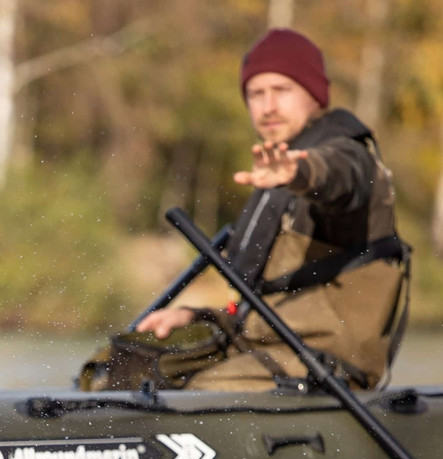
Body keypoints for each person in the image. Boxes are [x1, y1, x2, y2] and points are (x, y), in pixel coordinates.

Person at [97, 28, 409, 392]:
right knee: (117, 367)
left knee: (196, 397)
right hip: (258, 349)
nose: (268, 106)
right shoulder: (271, 185)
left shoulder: (343, 156)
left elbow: (342, 177)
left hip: (324, 367)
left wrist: (301, 173)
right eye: (256, 94)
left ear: (315, 95)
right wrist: (195, 317)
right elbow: (268, 310)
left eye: (282, 90)